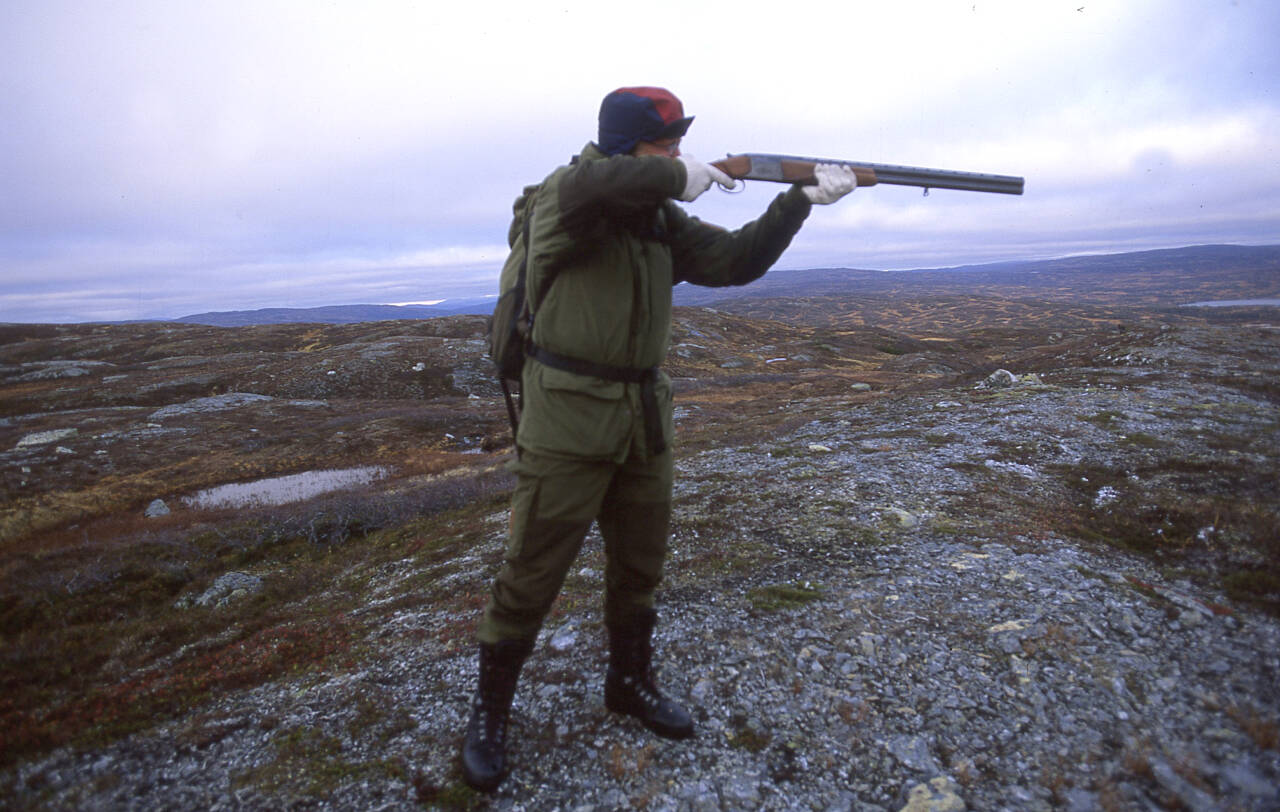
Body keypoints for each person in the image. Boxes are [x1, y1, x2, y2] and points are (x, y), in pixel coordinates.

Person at [461, 86, 857, 792]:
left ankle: (629, 681)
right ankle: (489, 714)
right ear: (624, 146)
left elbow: (735, 263)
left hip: (642, 415)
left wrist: (796, 202)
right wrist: (685, 174)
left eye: (679, 143)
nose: (676, 153)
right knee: (532, 573)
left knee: (640, 567)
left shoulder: (657, 219)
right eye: (662, 143)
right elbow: (597, 184)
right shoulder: (568, 195)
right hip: (568, 418)